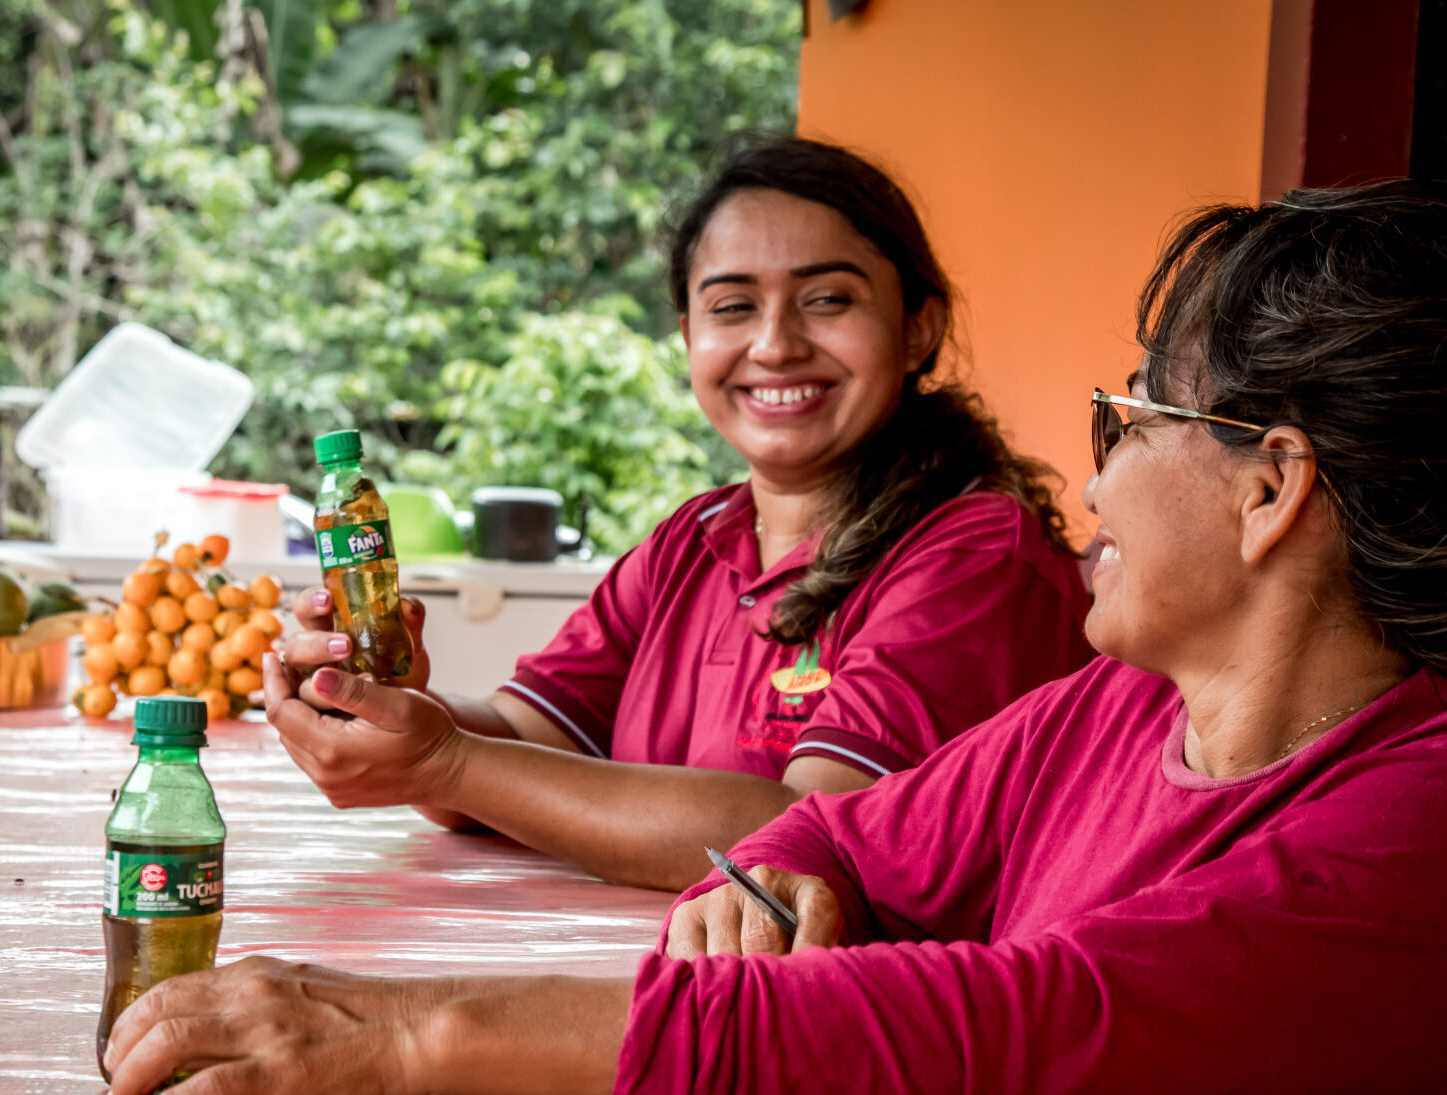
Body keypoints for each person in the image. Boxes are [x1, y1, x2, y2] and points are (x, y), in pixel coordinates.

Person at [104, 181, 1447, 1095]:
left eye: (1137, 413)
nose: (1097, 465)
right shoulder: (1119, 707)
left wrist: (418, 1034)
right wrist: (797, 870)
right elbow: (837, 830)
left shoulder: (1414, 824)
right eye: (730, 305)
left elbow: (1024, 1014)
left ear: (1271, 488)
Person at [261, 137, 1093, 892]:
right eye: (733, 307)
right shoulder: (691, 544)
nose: (774, 345)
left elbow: (815, 847)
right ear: (688, 333)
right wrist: (382, 706)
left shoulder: (977, 551)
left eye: (828, 300)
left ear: (918, 329)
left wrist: (444, 762)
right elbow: (518, 743)